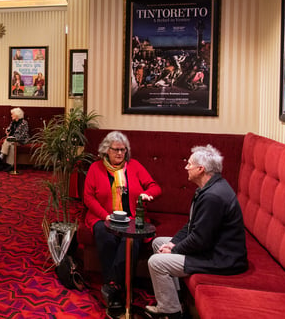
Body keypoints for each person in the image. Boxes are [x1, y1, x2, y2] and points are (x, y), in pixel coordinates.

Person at [145, 145, 247, 319]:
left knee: (156, 262)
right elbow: (191, 225)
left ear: (201, 169)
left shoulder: (213, 197)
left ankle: (170, 312)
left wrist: (174, 250)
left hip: (221, 258)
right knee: (159, 242)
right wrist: (172, 243)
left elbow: (200, 240)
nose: (186, 167)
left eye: (189, 164)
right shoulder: (207, 188)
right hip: (210, 247)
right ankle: (176, 300)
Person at [82, 131, 161, 318]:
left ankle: (112, 287)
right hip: (103, 217)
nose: (120, 154)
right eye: (116, 150)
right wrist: (105, 215)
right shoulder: (95, 168)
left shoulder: (134, 166)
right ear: (106, 151)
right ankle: (119, 289)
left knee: (130, 240)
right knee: (104, 233)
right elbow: (88, 197)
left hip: (132, 218)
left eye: (123, 150)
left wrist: (147, 194)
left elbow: (155, 186)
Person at [0, 107, 29, 172]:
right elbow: (9, 129)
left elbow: (23, 135)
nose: (11, 115)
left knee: (8, 141)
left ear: (17, 115)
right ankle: (10, 165)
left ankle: (1, 156)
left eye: (12, 114)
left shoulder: (24, 123)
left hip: (21, 140)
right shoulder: (13, 122)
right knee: (12, 145)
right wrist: (7, 131)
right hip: (11, 141)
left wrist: (14, 138)